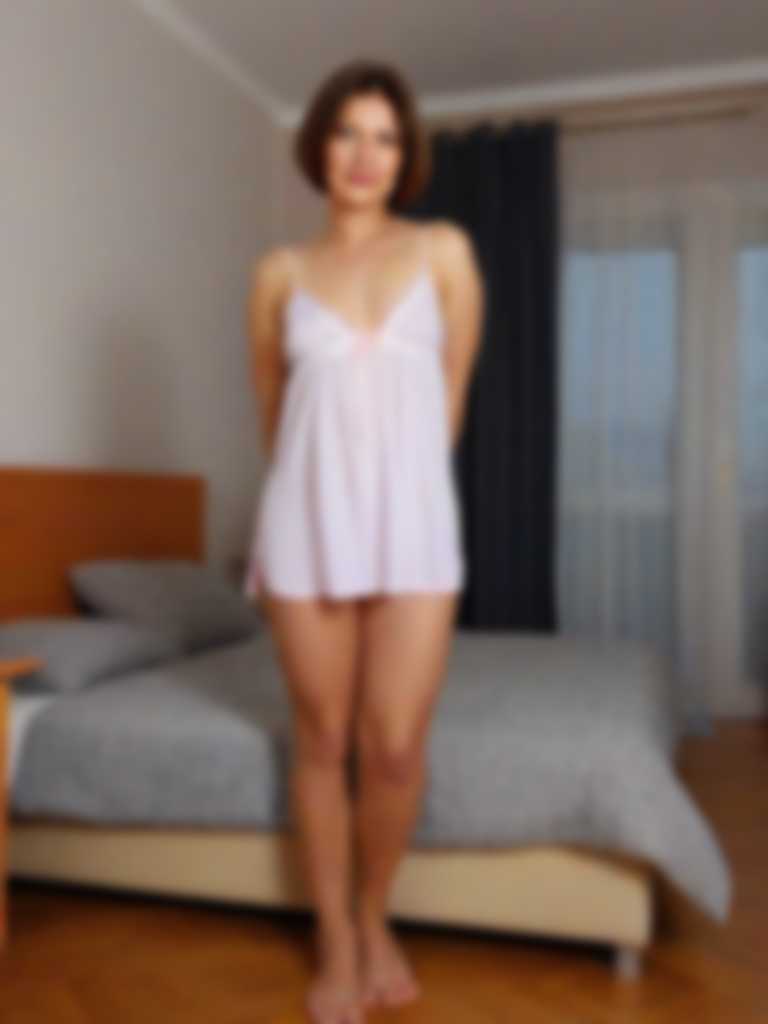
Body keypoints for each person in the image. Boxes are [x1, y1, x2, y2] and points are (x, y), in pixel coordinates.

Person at [243, 58, 484, 1024]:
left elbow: (449, 403)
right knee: (324, 739)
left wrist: (393, 494)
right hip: (304, 530)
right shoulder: (279, 273)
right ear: (320, 145)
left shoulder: (444, 252)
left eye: (385, 137)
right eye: (348, 132)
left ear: (404, 155)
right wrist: (321, 499)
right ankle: (336, 937)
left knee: (392, 747)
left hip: (413, 528)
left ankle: (375, 911)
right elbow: (273, 415)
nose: (364, 155)